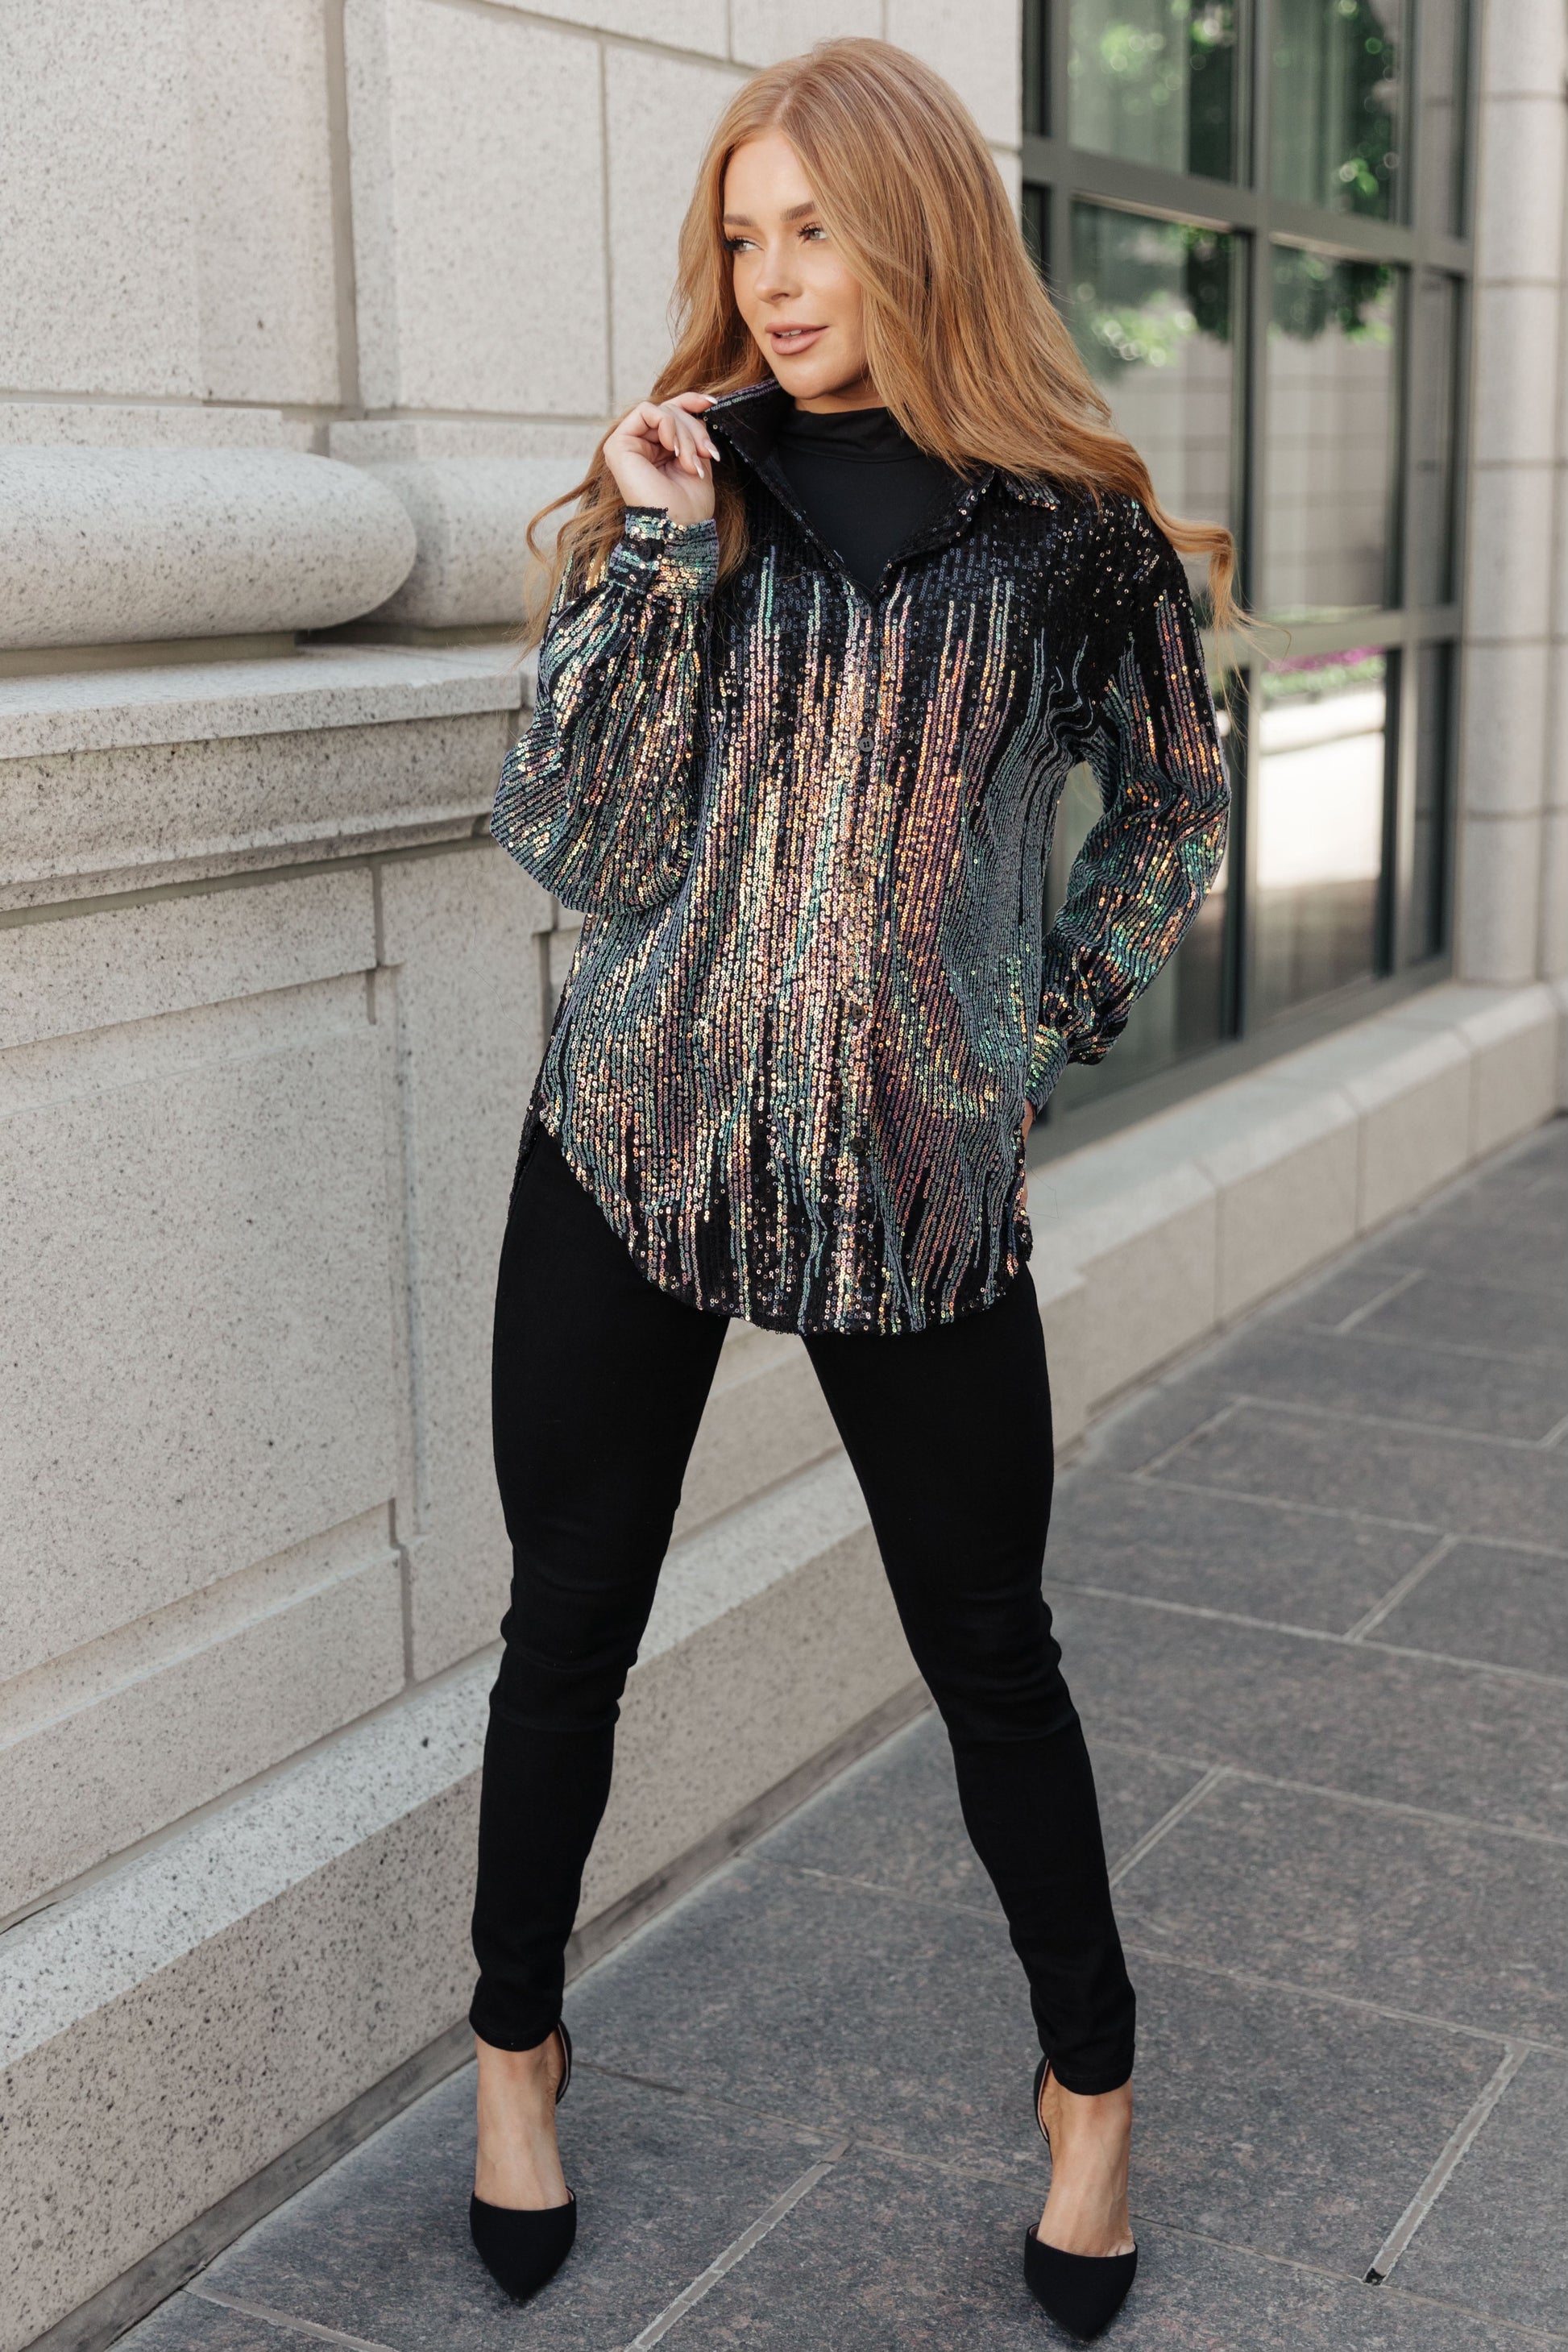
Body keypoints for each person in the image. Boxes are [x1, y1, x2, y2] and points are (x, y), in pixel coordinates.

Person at [466, 35, 1230, 2342]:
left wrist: (1020, 1039)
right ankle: (514, 2061)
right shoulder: (688, 489)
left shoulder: (1066, 527)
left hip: (914, 1191)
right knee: (567, 1630)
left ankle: (1088, 2095)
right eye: (743, 235)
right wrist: (653, 558)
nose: (774, 278)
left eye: (815, 228)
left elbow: (1171, 808)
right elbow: (574, 842)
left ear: (916, 229)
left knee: (991, 1654)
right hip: (628, 1138)